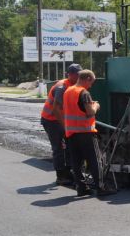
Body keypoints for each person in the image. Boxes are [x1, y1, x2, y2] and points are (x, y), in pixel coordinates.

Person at [63, 69, 116, 197]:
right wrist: (96, 106)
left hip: (71, 132)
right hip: (85, 132)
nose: (91, 85)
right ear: (87, 79)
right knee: (95, 160)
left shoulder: (68, 91)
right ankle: (101, 187)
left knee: (76, 162)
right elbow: (90, 112)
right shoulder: (83, 93)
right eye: (91, 82)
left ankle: (81, 188)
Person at [40, 63, 81, 185]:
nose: (79, 76)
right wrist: (65, 126)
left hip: (61, 120)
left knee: (69, 145)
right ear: (70, 75)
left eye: (80, 74)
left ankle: (68, 172)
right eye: (76, 74)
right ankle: (61, 176)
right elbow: (55, 110)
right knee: (58, 148)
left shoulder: (74, 85)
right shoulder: (62, 87)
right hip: (51, 120)